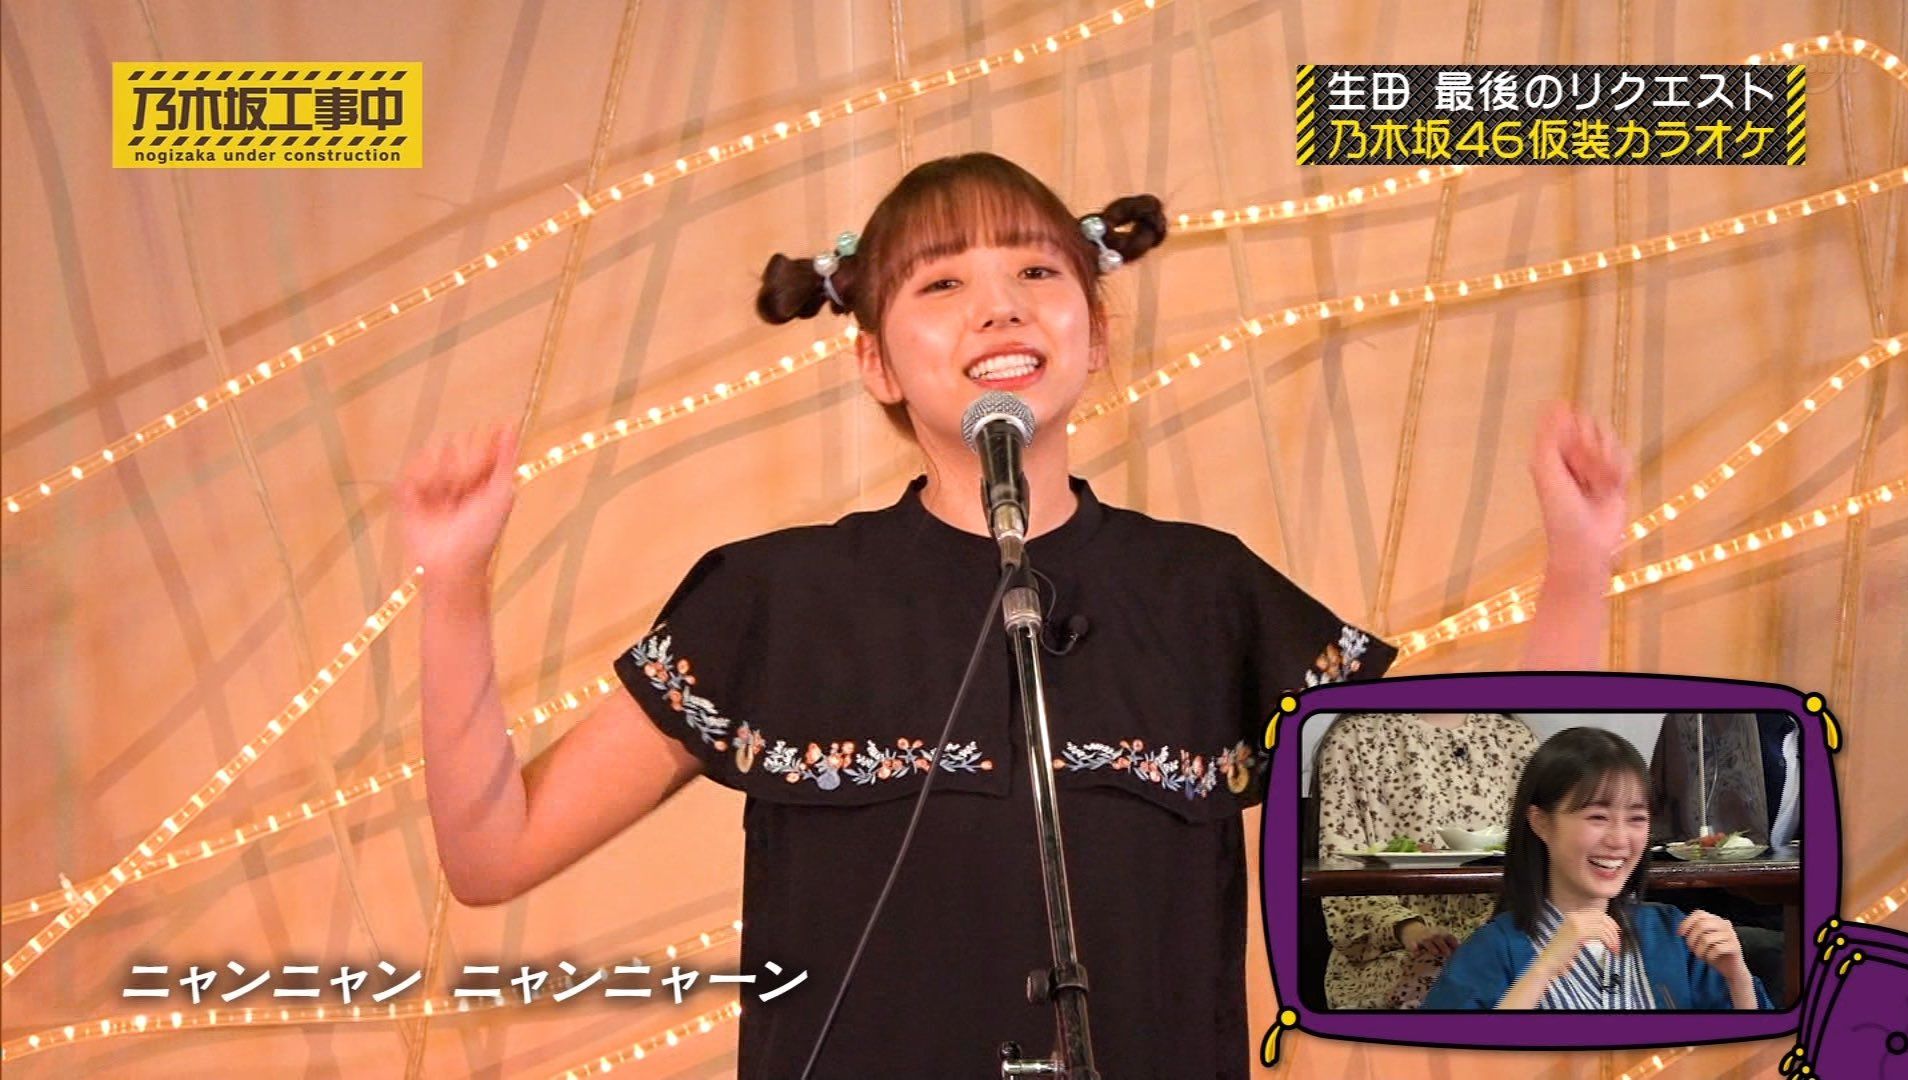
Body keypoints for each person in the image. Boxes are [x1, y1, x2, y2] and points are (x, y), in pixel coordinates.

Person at [400, 152, 1628, 1076]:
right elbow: (493, 854)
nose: (1000, 308)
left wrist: (1580, 563)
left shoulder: (1206, 591)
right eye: (943, 284)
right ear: (877, 362)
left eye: (1038, 273)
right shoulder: (774, 596)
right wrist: (451, 589)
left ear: (1097, 332)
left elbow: (1497, 830)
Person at [1422, 727, 1772, 1010]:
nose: (1619, 840)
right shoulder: (1492, 950)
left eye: (1636, 819)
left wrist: (1738, 978)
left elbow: (1755, 1058)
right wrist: (1543, 969)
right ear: (1540, 822)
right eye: (1597, 817)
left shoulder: (1673, 935)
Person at [1313, 711, 1538, 1008]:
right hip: (1395, 960)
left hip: (1501, 943)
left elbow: (1543, 860)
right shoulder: (1354, 738)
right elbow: (1340, 877)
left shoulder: (1515, 740)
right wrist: (1408, 929)